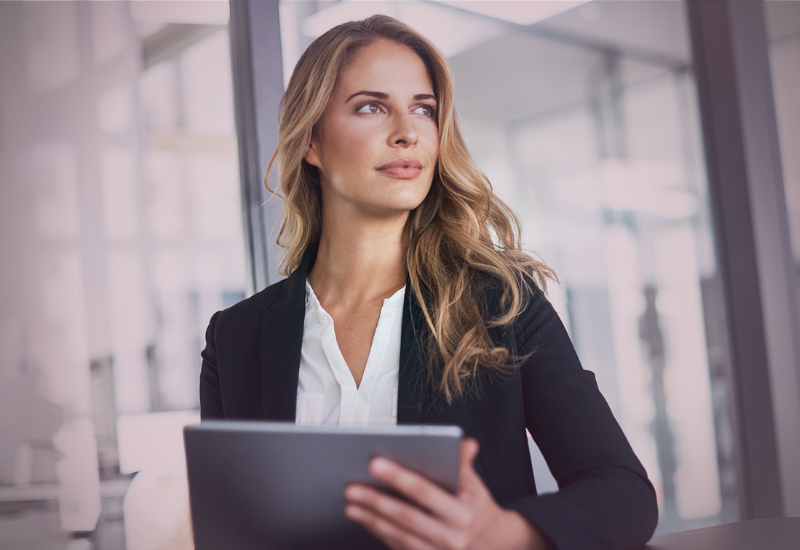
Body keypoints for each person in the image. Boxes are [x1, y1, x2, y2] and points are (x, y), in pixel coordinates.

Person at [200, 14, 658, 550]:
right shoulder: (236, 337)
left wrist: (504, 534)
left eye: (424, 109)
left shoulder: (501, 306)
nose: (407, 131)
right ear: (311, 142)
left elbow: (625, 493)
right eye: (371, 106)